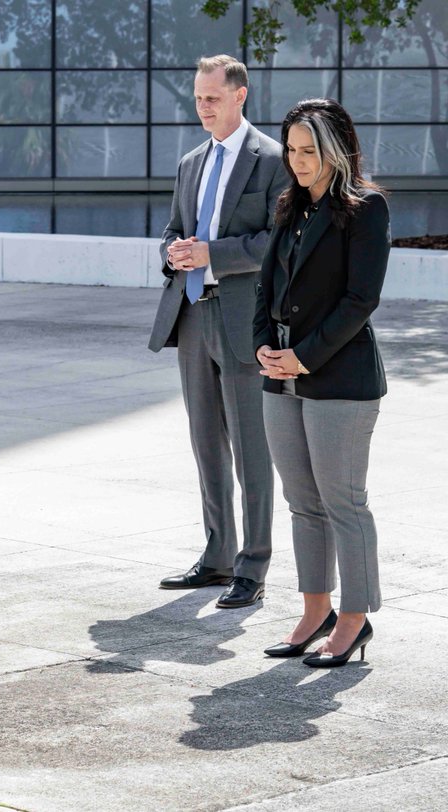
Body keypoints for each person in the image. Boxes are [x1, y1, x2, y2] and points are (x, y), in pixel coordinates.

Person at [149, 55, 289, 608]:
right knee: (206, 444)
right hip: (191, 316)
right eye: (198, 98)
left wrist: (213, 254)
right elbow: (172, 230)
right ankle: (217, 557)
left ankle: (253, 567)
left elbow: (277, 242)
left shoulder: (272, 160)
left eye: (212, 97)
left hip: (242, 322)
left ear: (240, 95)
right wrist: (174, 252)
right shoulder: (191, 163)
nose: (203, 107)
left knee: (252, 448)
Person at [254, 98, 390, 667]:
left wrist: (303, 358)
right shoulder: (290, 206)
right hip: (279, 375)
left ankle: (355, 620)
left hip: (339, 376)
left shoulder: (366, 208)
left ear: (337, 150)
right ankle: (316, 612)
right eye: (291, 150)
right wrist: (263, 345)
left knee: (343, 503)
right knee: (302, 503)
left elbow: (361, 299)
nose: (298, 160)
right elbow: (266, 286)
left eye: (309, 150)